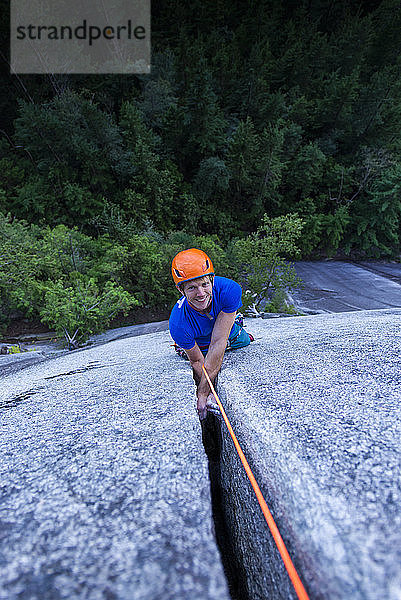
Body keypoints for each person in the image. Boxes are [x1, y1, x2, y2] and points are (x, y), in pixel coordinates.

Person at [169, 248, 254, 420]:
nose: (201, 294)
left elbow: (218, 341)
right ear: (181, 290)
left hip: (223, 330)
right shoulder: (178, 324)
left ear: (212, 280)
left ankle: (236, 326)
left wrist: (203, 391)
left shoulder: (230, 290)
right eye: (192, 288)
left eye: (204, 284)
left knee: (243, 340)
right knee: (201, 354)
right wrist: (207, 392)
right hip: (198, 342)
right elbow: (197, 360)